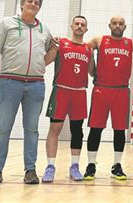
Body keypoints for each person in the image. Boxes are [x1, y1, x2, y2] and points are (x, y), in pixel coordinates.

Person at [0, 0, 52, 185]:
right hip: (9, 83)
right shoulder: (6, 24)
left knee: (32, 129)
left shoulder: (44, 30)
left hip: (36, 85)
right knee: (3, 128)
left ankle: (30, 170)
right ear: (22, 4)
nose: (33, 4)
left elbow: (47, 54)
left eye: (36, 2)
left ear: (40, 7)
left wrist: (50, 55)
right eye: (29, 1)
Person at [83, 16, 133, 181]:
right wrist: (92, 69)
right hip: (101, 89)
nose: (117, 26)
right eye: (114, 23)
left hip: (121, 91)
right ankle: (91, 164)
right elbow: (83, 49)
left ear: (125, 27)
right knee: (96, 128)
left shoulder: (130, 43)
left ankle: (117, 165)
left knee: (119, 130)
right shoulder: (99, 40)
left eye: (121, 24)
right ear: (109, 25)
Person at [41, 15, 95, 183]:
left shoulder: (88, 49)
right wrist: (51, 48)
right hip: (61, 91)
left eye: (83, 25)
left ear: (86, 29)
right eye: (77, 24)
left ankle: (75, 167)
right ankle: (50, 167)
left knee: (77, 131)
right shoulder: (61, 43)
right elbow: (45, 62)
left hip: (79, 93)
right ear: (71, 26)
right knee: (55, 128)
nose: (79, 26)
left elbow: (93, 73)